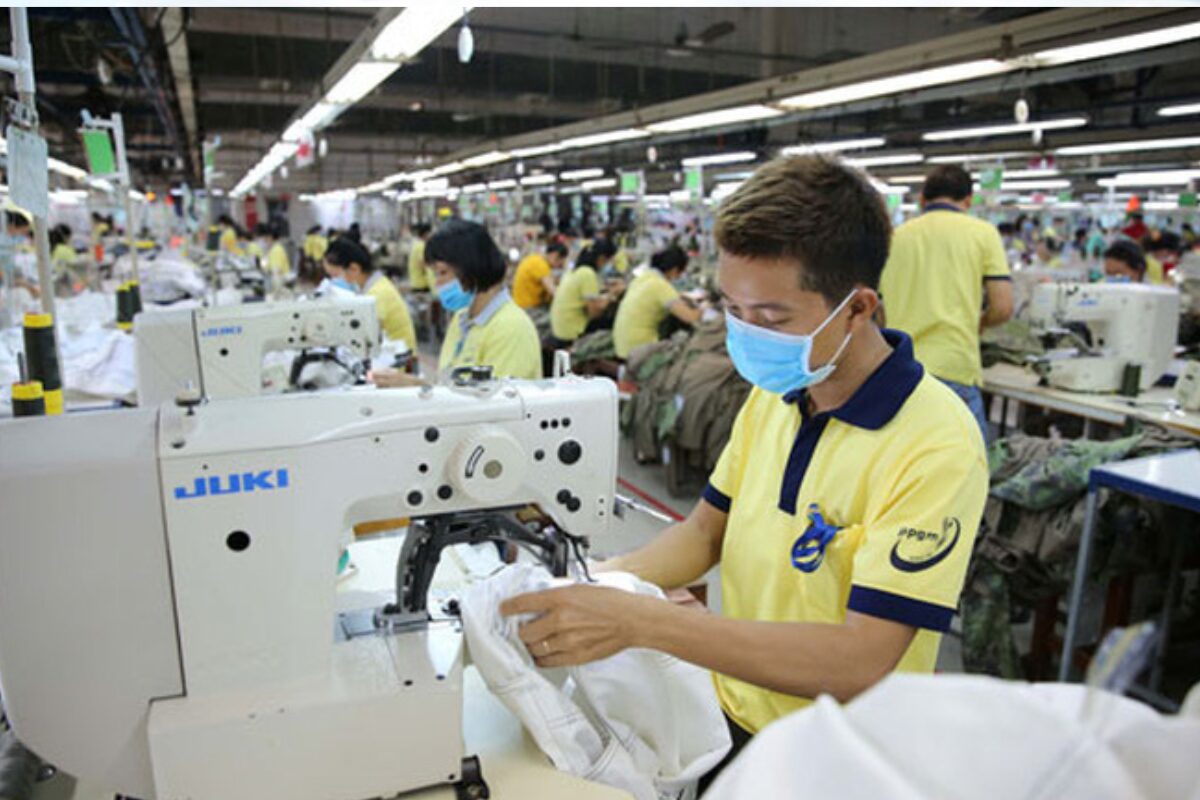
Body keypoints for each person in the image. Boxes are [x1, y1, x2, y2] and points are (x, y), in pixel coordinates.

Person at [497, 156, 988, 790]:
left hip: (840, 756)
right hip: (733, 714)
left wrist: (646, 622)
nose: (747, 335)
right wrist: (594, 581)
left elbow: (862, 659)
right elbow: (706, 533)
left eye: (772, 318)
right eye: (733, 308)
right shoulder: (776, 395)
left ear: (859, 308)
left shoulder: (936, 443)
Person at [877, 164, 1013, 440]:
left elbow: (877, 311)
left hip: (898, 371)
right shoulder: (982, 233)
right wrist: (981, 322)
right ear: (968, 200)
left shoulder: (894, 238)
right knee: (965, 462)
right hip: (954, 367)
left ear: (922, 199)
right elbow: (1003, 307)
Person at [372, 220, 542, 385]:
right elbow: (448, 386)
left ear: (472, 268)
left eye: (442, 272)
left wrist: (419, 388)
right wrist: (418, 387)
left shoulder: (511, 328)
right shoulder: (462, 320)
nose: (437, 283)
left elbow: (496, 402)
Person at [323, 238, 416, 352]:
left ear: (354, 269)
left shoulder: (377, 294)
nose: (333, 281)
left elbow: (360, 335)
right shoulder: (372, 286)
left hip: (397, 358)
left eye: (335, 275)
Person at [612, 244, 703, 359]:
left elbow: (657, 296)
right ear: (674, 270)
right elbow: (691, 318)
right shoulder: (661, 286)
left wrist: (680, 296)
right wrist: (705, 306)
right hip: (638, 349)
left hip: (622, 345)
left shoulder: (643, 278)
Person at [549, 238, 619, 348]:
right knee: (614, 322)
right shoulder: (587, 274)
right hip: (572, 333)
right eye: (609, 261)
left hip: (560, 329)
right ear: (602, 259)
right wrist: (612, 296)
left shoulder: (574, 271)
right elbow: (594, 312)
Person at [512, 241, 567, 310]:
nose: (560, 265)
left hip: (521, 304)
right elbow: (554, 292)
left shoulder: (536, 259)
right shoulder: (541, 265)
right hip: (527, 308)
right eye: (561, 261)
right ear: (554, 255)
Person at [407, 223, 435, 291]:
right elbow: (423, 264)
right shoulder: (421, 246)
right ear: (426, 234)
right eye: (431, 233)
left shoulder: (417, 244)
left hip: (416, 282)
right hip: (421, 284)